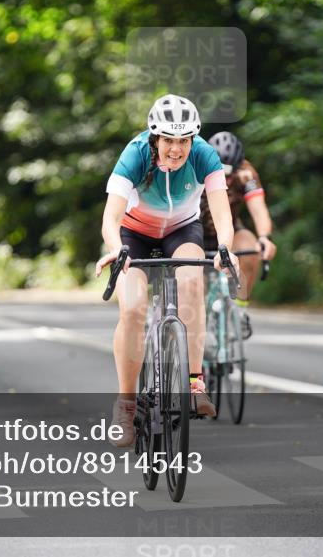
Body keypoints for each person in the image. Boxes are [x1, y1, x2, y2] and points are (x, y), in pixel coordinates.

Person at [94, 94, 239, 447]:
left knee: (192, 284)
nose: (176, 149)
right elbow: (111, 217)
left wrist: (225, 249)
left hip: (182, 230)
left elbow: (222, 214)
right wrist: (115, 248)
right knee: (133, 309)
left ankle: (194, 384)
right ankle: (126, 404)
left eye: (184, 140)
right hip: (134, 235)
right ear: (155, 137)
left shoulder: (204, 155)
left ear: (193, 139)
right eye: (169, 140)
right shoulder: (135, 154)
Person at [201, 131, 277, 339]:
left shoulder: (246, 172)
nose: (224, 178)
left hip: (230, 230)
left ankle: (240, 310)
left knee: (251, 249)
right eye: (220, 171)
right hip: (196, 230)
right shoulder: (196, 166)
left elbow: (258, 209)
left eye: (229, 173)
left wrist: (264, 237)